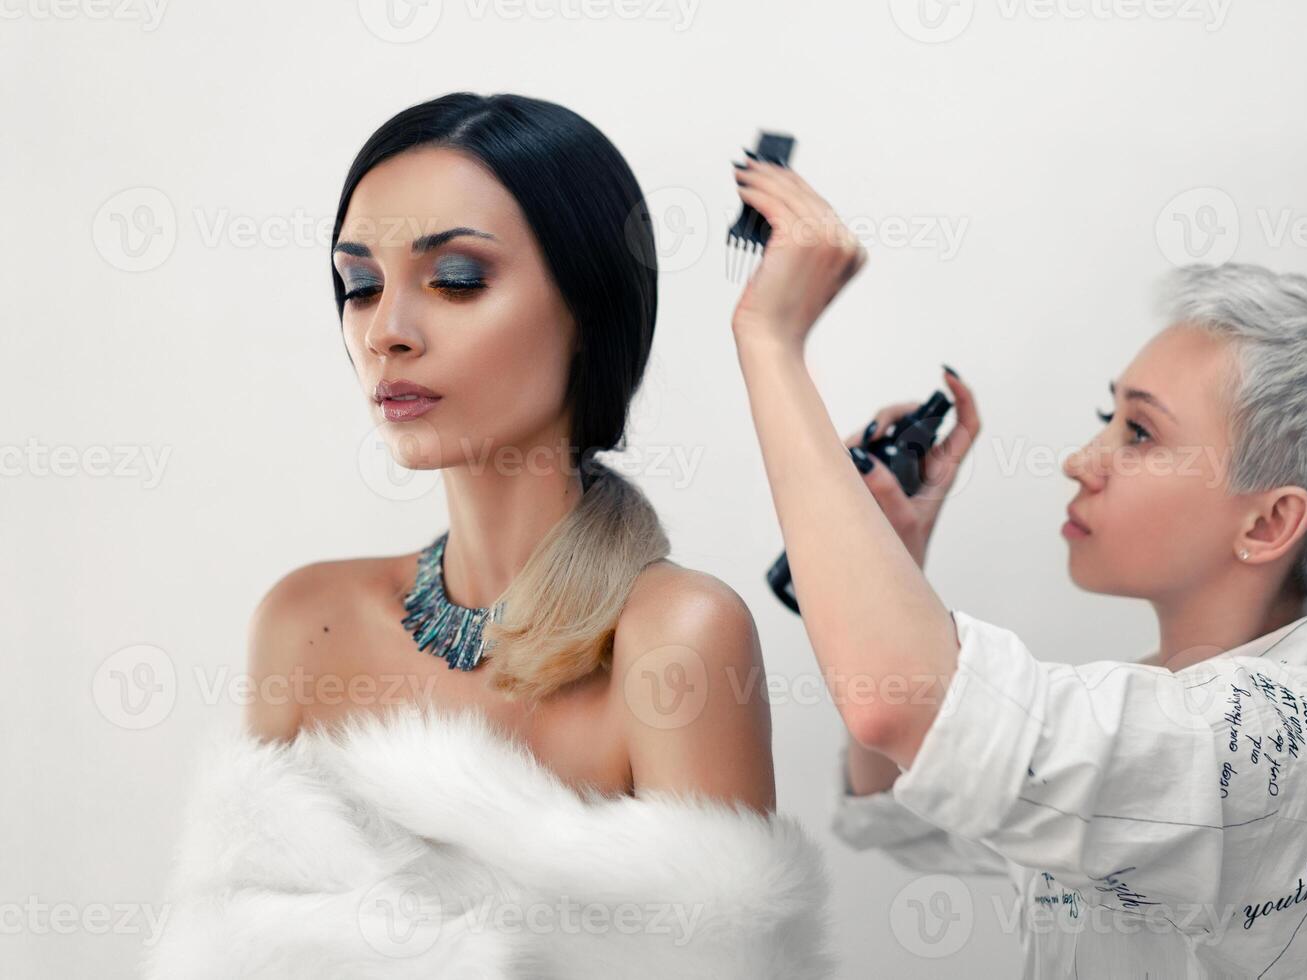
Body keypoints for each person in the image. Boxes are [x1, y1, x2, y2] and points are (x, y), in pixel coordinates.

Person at [141, 94, 835, 978]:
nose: (386, 331)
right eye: (359, 285)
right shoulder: (306, 619)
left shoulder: (677, 639)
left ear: (587, 309)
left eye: (456, 280)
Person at [727, 154, 1307, 976]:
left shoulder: (1297, 745)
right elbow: (910, 801)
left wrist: (771, 340)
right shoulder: (1158, 711)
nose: (1080, 460)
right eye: (1107, 418)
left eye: (1139, 433)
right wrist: (899, 563)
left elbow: (901, 712)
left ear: (1269, 522)